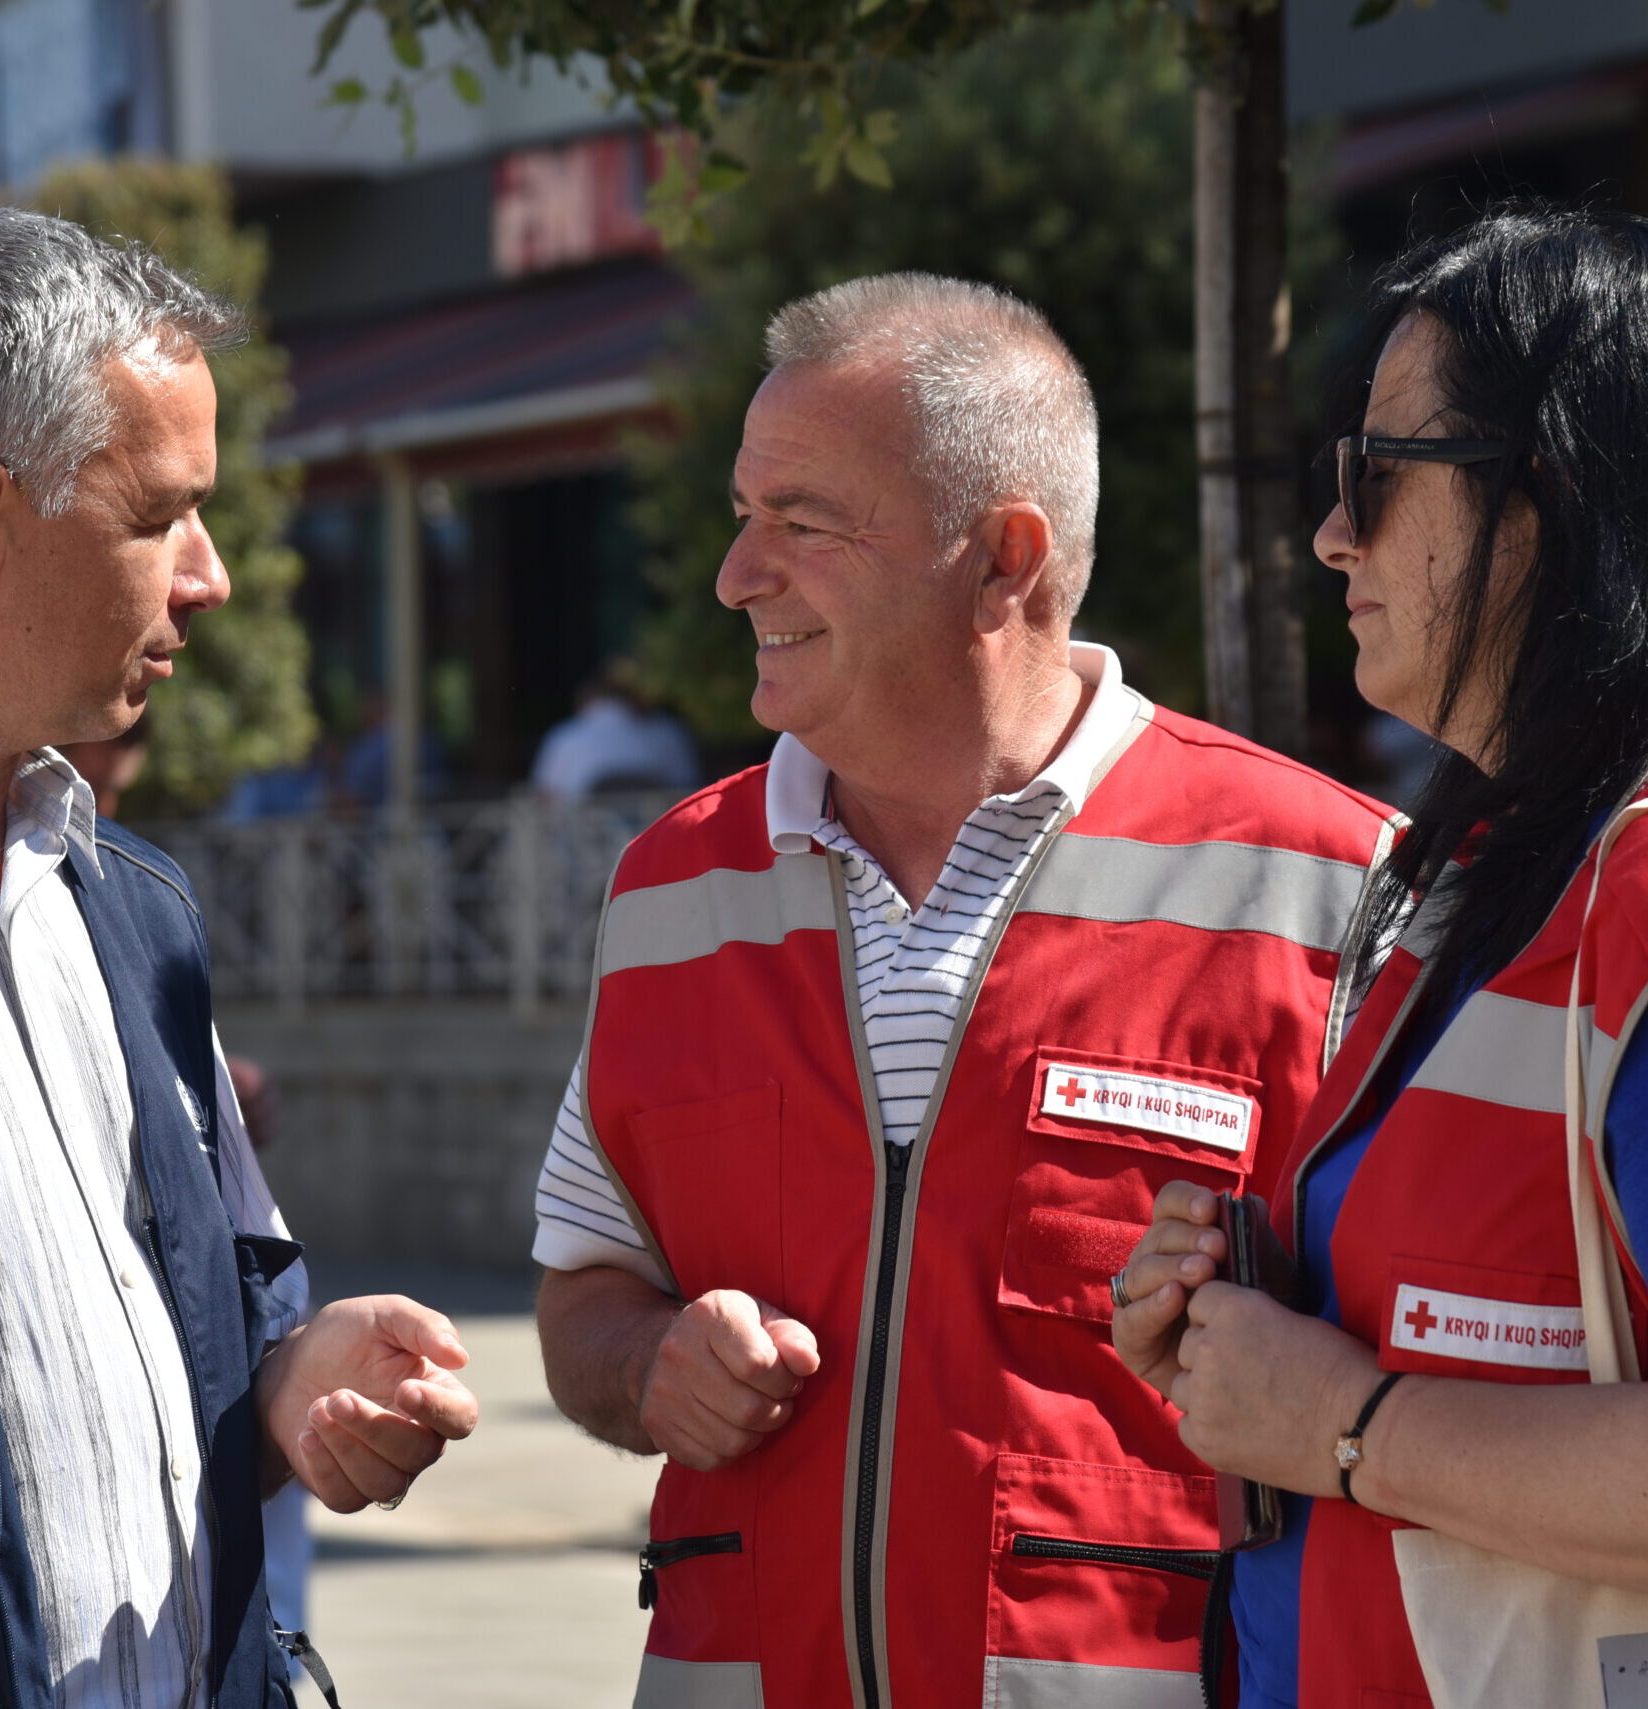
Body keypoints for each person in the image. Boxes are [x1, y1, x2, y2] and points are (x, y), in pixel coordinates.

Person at [532, 271, 1400, 1707]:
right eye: (743, 517)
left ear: (1004, 561)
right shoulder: (668, 889)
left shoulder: (1331, 887)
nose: (736, 576)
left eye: (801, 525)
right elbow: (584, 1290)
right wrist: (646, 1364)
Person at [0, 207, 478, 1708]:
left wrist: (298, 1381)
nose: (212, 574)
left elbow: (213, 1317)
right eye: (158, 515)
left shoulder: (137, 912)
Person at [1112, 206, 1648, 1708]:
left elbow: (1378, 1414)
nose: (1330, 532)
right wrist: (1243, 1315)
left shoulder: (1633, 884)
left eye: (1374, 477)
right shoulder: (1476, 877)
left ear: (1546, 498)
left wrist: (1348, 1422)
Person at [530, 660, 701, 800]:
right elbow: (688, 787)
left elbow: (545, 796)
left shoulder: (564, 736)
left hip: (587, 838)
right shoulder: (669, 731)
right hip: (659, 837)